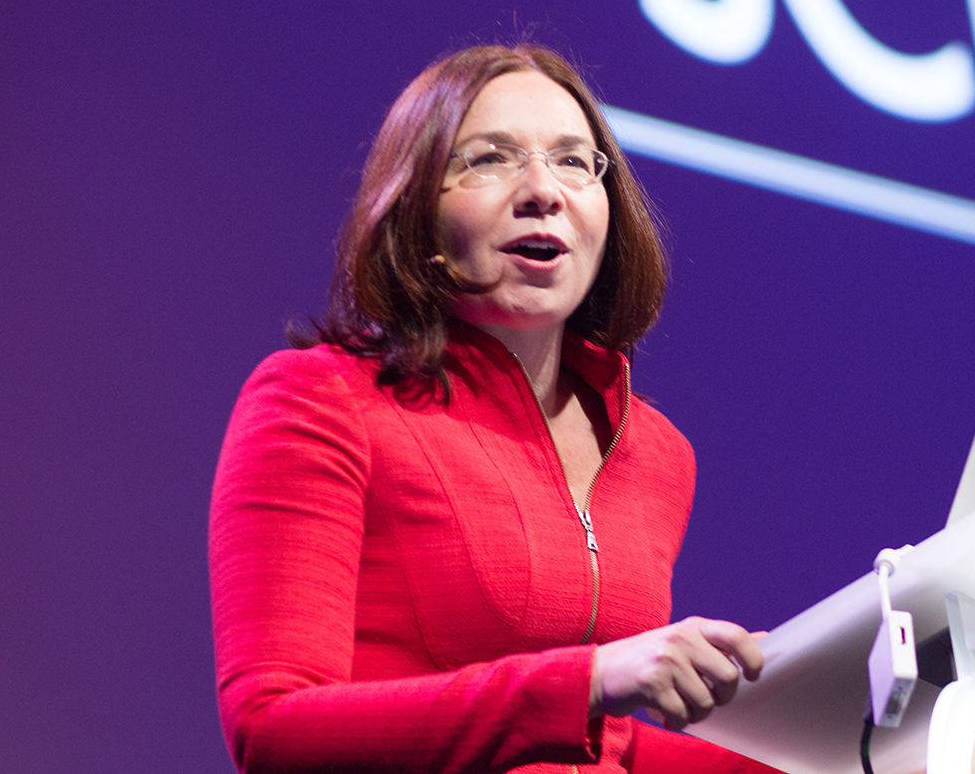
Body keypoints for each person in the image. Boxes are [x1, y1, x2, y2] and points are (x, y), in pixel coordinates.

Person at [209, 43, 778, 774]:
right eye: (489, 159)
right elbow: (272, 731)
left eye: (575, 162)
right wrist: (591, 681)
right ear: (414, 208)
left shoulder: (656, 453)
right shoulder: (321, 401)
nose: (545, 190)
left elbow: (605, 750)